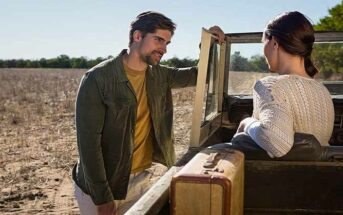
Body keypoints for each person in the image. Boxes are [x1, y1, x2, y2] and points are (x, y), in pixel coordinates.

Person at [72, 11, 225, 215]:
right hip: (100, 187)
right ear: (137, 36)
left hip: (140, 180)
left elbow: (200, 76)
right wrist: (102, 197)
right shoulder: (97, 79)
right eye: (158, 40)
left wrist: (208, 46)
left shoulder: (160, 75)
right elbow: (88, 145)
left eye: (167, 43)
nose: (163, 49)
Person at [233, 11, 334, 158]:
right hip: (319, 178)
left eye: (264, 42)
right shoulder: (323, 91)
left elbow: (277, 143)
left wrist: (246, 123)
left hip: (273, 179)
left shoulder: (271, 86)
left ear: (274, 42)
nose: (263, 51)